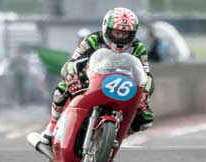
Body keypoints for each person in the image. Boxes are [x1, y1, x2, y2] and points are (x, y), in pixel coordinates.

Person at [40, 7, 154, 145]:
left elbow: (146, 74)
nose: (120, 37)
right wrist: (73, 76)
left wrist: (144, 94)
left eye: (125, 34)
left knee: (146, 120)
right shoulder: (93, 39)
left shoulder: (138, 47)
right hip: (91, 79)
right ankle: (51, 126)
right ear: (107, 28)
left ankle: (119, 135)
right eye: (117, 32)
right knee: (61, 91)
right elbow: (73, 62)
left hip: (122, 85)